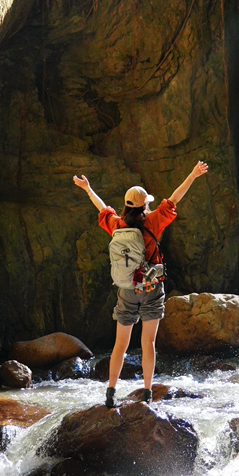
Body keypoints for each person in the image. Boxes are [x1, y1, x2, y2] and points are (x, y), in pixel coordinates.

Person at [73, 161, 209, 408]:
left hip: (126, 291)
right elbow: (174, 198)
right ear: (146, 204)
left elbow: (102, 208)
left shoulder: (116, 224)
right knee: (148, 343)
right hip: (151, 289)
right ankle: (147, 392)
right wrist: (192, 174)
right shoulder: (154, 221)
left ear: (125, 205)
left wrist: (87, 189)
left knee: (120, 345)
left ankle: (111, 392)